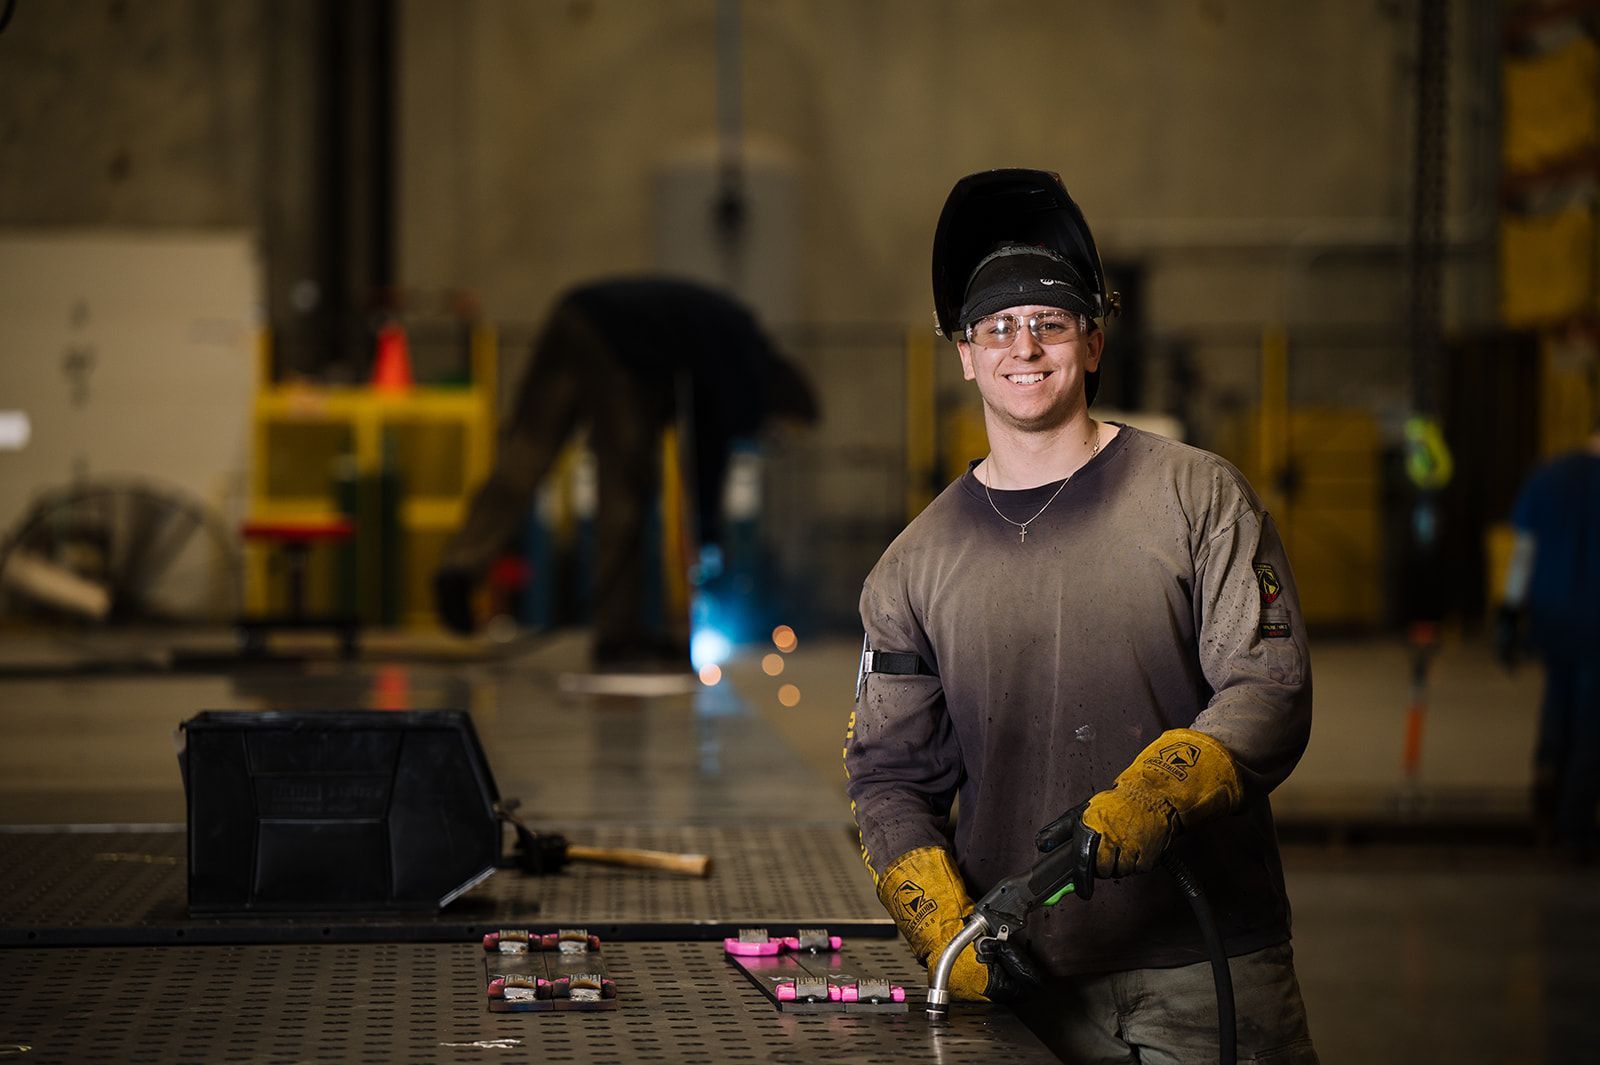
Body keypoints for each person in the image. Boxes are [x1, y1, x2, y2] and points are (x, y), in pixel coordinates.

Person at [844, 169, 1318, 1063]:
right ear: (966, 354)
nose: (1025, 346)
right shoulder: (912, 565)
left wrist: (1160, 789)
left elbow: (1269, 686)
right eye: (999, 327)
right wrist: (936, 915)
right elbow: (888, 775)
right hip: (1030, 979)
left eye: (1051, 322)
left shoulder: (1197, 495)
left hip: (1207, 964)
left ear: (1092, 344)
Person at [434, 277, 817, 670]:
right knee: (626, 489)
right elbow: (704, 452)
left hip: (573, 313)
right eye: (778, 434)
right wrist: (708, 537)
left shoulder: (736, 338)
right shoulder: (741, 367)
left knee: (528, 449)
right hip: (622, 346)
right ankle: (618, 635)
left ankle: (462, 564)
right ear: (777, 400)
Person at [1497, 417, 1600, 858]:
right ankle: (1573, 829)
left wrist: (1508, 613)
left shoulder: (1549, 476)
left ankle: (1544, 792)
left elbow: (1522, 553)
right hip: (1596, 624)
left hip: (1551, 619)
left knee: (1558, 703)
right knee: (1591, 722)